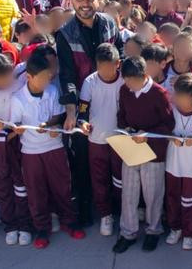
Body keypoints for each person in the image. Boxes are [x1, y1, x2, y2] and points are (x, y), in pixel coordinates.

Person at [10, 47, 85, 249]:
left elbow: (57, 116)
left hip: (54, 148)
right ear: (29, 76)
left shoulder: (52, 91)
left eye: (48, 77)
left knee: (63, 188)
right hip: (31, 153)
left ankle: (69, 222)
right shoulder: (17, 99)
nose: (46, 81)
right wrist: (16, 130)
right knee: (36, 192)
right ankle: (42, 229)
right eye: (42, 78)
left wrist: (52, 126)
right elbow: (14, 125)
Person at [112, 56, 175, 253]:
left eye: (134, 80)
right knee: (129, 194)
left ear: (145, 75)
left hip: (153, 152)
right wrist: (126, 129)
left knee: (153, 194)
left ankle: (153, 231)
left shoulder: (159, 93)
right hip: (131, 149)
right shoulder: (124, 90)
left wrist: (148, 135)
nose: (131, 84)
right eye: (127, 80)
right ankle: (128, 233)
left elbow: (168, 125)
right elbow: (121, 115)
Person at [0, 54, 33, 246]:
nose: (6, 81)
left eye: (9, 75)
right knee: (3, 185)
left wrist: (13, 130)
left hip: (19, 139)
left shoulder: (19, 82)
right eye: (1, 77)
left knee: (22, 184)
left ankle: (25, 225)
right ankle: (10, 225)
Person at [78, 43, 125, 237]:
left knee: (120, 179)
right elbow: (83, 110)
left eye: (109, 66)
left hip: (120, 139)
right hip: (96, 140)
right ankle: (105, 215)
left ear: (117, 64)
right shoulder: (90, 82)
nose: (104, 71)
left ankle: (123, 213)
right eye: (100, 66)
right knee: (99, 179)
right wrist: (82, 122)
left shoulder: (124, 80)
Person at [164, 73, 192, 250]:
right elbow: (165, 131)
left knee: (190, 200)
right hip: (173, 164)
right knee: (172, 198)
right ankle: (175, 228)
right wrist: (172, 138)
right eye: (177, 96)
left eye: (183, 98)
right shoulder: (172, 109)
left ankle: (189, 233)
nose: (179, 101)